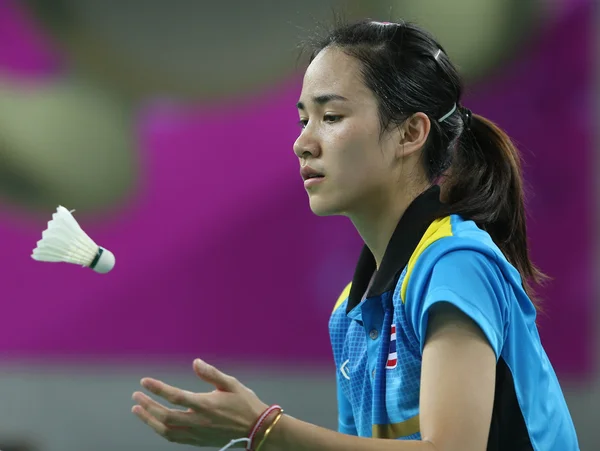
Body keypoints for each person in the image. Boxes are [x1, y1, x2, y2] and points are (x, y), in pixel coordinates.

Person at [131, 19, 580, 451]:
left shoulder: (455, 266)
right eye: (303, 119)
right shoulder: (350, 315)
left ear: (411, 132)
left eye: (331, 116)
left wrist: (266, 431)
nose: (303, 143)